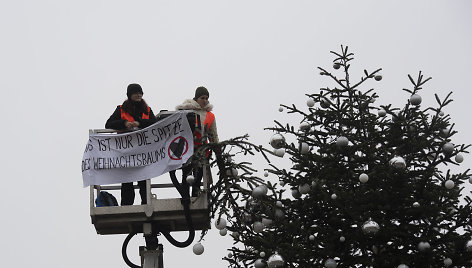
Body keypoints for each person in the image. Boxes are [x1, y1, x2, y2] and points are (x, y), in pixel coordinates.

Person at [105, 83, 157, 205]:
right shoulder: (121, 109)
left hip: (142, 152)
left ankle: (146, 204)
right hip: (126, 152)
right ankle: (126, 205)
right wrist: (124, 123)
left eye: (140, 93)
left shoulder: (147, 110)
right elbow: (108, 124)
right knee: (127, 181)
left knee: (144, 181)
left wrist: (139, 123)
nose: (139, 95)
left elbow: (154, 123)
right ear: (130, 95)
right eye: (136, 93)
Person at [176, 86, 219, 196]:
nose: (205, 101)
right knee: (186, 174)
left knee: (198, 175)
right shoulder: (186, 110)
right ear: (196, 98)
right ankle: (185, 198)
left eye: (206, 98)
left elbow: (213, 135)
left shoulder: (210, 115)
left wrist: (218, 149)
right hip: (187, 149)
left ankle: (195, 196)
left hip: (202, 151)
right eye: (202, 98)